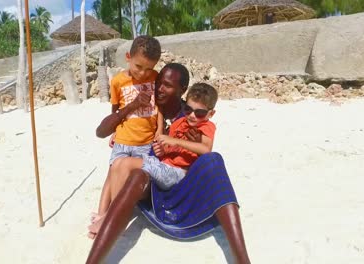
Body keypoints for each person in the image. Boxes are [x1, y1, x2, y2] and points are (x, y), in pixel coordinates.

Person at [88, 63, 251, 264]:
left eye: (167, 85)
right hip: (149, 182)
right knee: (127, 165)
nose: (159, 89)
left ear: (182, 90)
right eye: (158, 84)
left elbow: (201, 152)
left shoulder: (191, 117)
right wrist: (123, 126)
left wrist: (187, 143)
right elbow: (104, 139)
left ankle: (243, 259)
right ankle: (100, 243)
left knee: (213, 160)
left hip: (176, 180)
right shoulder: (146, 109)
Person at [90, 35, 163, 237]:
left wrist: (159, 131)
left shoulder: (156, 78)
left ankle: (110, 216)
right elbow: (115, 112)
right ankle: (103, 214)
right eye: (138, 66)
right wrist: (114, 131)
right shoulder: (117, 82)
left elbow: (160, 108)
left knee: (129, 180)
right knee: (112, 174)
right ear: (128, 57)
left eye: (148, 68)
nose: (143, 73)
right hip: (122, 140)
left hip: (144, 142)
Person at [142, 82, 219, 190]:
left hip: (180, 173)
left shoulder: (206, 126)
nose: (192, 116)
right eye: (188, 109)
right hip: (165, 166)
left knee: (132, 165)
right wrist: (162, 150)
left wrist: (176, 141)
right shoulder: (179, 123)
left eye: (199, 113)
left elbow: (206, 149)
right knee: (121, 163)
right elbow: (170, 149)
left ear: (211, 114)